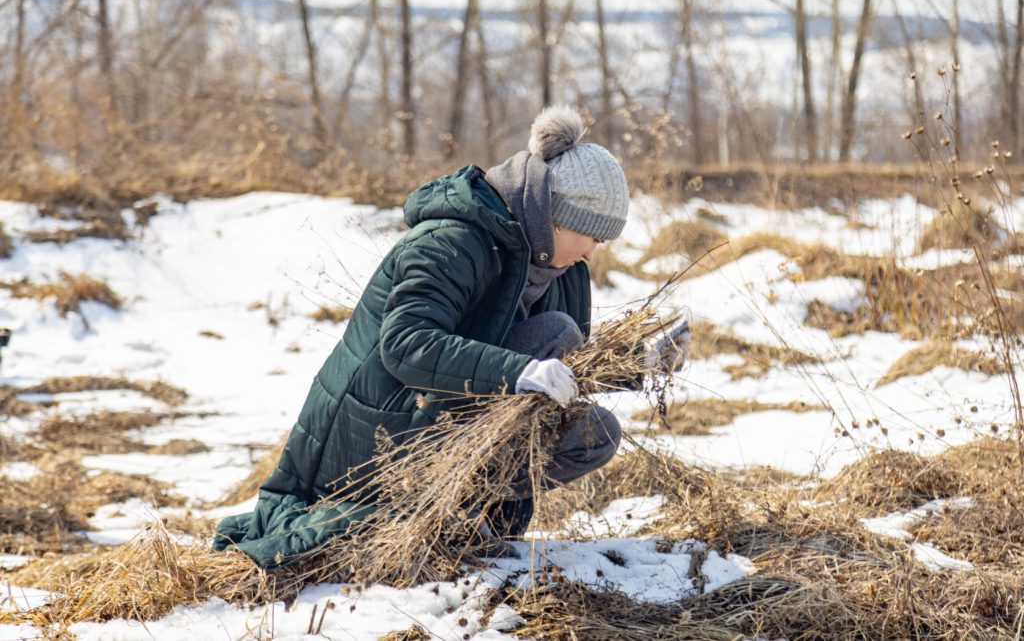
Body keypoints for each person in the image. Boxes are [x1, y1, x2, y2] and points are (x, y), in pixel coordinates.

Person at [213, 106, 688, 568]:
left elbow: (566, 367)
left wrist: (638, 363)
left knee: (594, 433)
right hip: (375, 438)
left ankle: (454, 512)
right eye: (593, 235)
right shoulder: (450, 240)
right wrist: (519, 372)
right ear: (554, 216)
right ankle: (426, 505)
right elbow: (406, 342)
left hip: (439, 425)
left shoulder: (553, 265)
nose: (593, 251)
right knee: (557, 332)